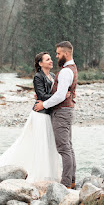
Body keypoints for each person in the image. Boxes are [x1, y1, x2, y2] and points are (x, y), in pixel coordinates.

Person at [0, 52, 71, 182]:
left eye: (51, 59)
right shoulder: (38, 77)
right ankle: (38, 175)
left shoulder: (52, 76)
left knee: (48, 144)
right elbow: (41, 96)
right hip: (40, 115)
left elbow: (53, 94)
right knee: (40, 144)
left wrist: (61, 95)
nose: (51, 61)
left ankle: (50, 174)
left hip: (49, 114)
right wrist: (62, 96)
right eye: (47, 59)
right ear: (40, 63)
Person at [34, 41, 78, 189]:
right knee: (68, 147)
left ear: (65, 54)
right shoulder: (72, 68)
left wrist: (43, 104)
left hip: (61, 112)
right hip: (67, 110)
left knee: (64, 149)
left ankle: (65, 184)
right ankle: (71, 180)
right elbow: (61, 94)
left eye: (58, 54)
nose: (56, 56)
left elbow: (59, 96)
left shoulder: (65, 71)